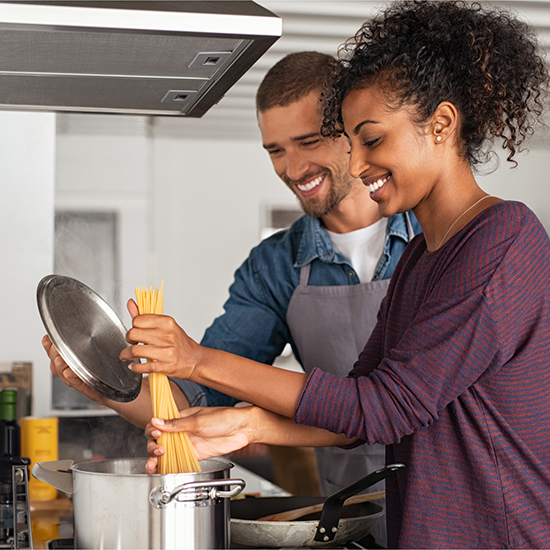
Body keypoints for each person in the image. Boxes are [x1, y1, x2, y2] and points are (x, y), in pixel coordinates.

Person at [133, 1, 550, 547]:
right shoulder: (423, 256)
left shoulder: (503, 241)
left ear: (442, 125)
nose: (356, 166)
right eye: (352, 144)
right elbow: (358, 406)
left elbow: (387, 409)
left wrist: (197, 359)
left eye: (372, 140)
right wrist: (247, 426)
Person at [43, 51, 420, 544]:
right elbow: (193, 405)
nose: (293, 167)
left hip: (445, 498)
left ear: (352, 129)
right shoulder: (274, 266)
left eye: (308, 141)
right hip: (349, 511)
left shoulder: (435, 243)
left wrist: (200, 364)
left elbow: (390, 404)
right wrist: (104, 385)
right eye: (275, 150)